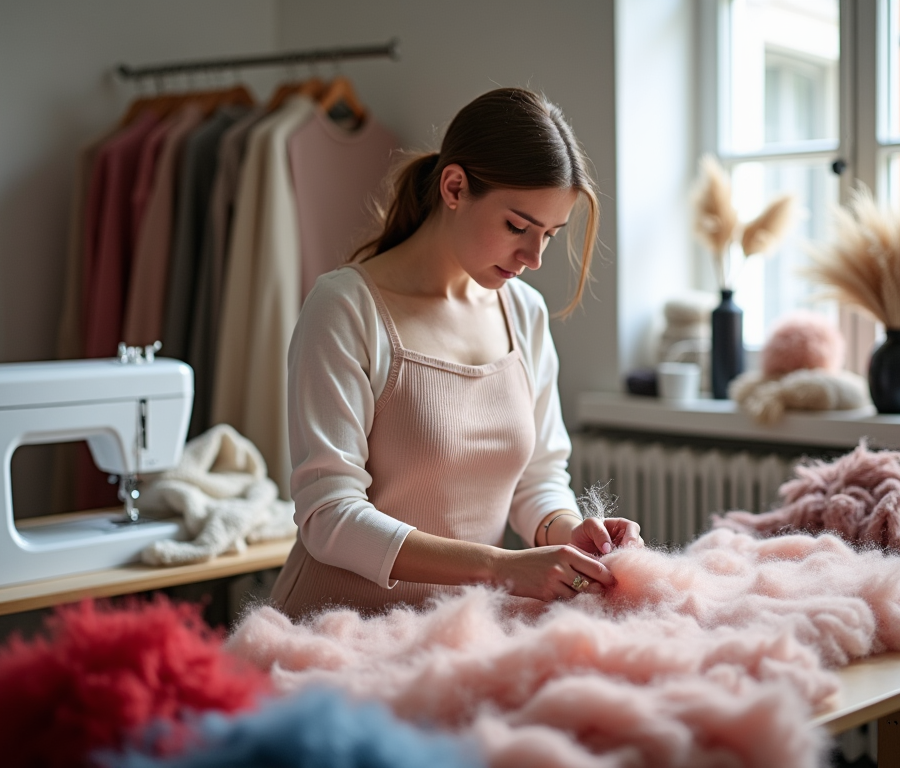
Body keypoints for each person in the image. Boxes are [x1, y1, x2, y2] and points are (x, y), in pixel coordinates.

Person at [271, 87, 642, 619]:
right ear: (454, 187)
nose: (534, 257)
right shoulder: (346, 308)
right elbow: (329, 516)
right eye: (517, 226)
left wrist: (571, 532)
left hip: (457, 633)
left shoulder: (524, 312)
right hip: (337, 629)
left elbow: (537, 478)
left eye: (551, 235)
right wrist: (501, 567)